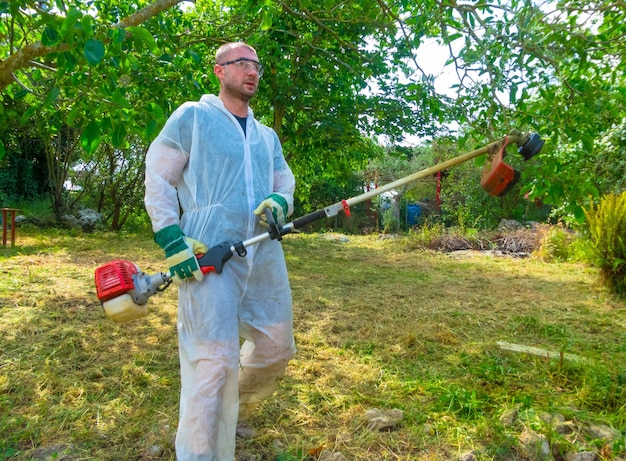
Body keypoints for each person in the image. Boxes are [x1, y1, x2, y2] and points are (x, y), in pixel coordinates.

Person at [144, 42, 297, 461]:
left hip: (262, 250)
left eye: (257, 65)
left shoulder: (267, 136)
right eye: (242, 63)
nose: (252, 71)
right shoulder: (193, 117)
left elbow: (284, 181)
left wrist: (280, 202)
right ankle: (198, 454)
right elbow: (159, 174)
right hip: (209, 248)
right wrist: (171, 237)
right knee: (213, 361)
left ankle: (238, 406)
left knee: (277, 345)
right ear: (219, 71)